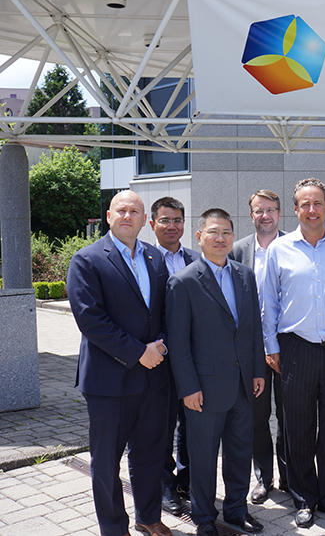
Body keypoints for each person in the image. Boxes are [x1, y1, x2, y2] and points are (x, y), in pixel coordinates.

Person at [67, 190, 174, 536]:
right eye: (121, 210)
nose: (128, 216)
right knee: (106, 461)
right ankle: (113, 527)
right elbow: (91, 319)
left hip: (153, 377)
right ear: (109, 216)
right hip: (109, 380)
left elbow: (165, 311)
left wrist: (160, 346)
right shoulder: (87, 260)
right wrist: (139, 352)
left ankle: (148, 517)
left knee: (150, 454)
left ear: (145, 221)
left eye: (135, 211)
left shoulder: (155, 258)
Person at [261, 178, 325, 528]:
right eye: (305, 204)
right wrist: (271, 346)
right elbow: (269, 302)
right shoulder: (279, 249)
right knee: (297, 428)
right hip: (294, 349)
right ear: (295, 209)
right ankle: (303, 498)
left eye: (317, 203)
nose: (312, 210)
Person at [166, 208, 266, 536]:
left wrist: (258, 370)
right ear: (199, 237)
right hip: (204, 389)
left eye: (226, 232)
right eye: (213, 232)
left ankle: (237, 510)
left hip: (242, 384)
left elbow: (253, 328)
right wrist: (187, 387)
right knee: (203, 457)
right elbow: (178, 343)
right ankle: (204, 517)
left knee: (239, 452)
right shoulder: (183, 281)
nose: (220, 238)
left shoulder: (245, 275)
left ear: (233, 236)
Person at [229, 189, 290, 505]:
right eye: (258, 210)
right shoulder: (237, 251)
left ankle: (291, 477)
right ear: (250, 215)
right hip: (253, 349)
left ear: (280, 213)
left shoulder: (294, 246)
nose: (265, 215)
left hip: (290, 346)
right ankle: (264, 478)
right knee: (257, 417)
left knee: (291, 416)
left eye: (270, 209)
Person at [149, 196, 200, 515]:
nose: (172, 226)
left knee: (192, 423)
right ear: (152, 224)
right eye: (165, 220)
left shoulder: (196, 258)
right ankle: (165, 486)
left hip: (193, 358)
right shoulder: (143, 258)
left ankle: (188, 481)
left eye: (177, 220)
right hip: (158, 357)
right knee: (161, 426)